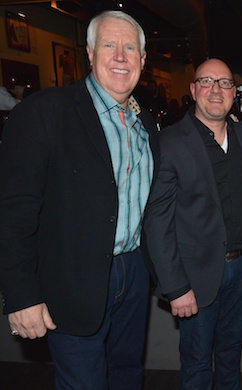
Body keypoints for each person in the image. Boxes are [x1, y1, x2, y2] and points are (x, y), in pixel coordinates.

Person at [0, 10, 158, 390]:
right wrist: (21, 294)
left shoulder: (145, 123)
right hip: (71, 280)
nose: (120, 56)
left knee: (127, 376)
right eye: (109, 45)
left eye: (130, 47)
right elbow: (12, 213)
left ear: (142, 59)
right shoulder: (44, 112)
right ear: (89, 53)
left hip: (133, 274)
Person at [142, 58, 242, 390]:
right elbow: (157, 222)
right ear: (193, 90)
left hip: (241, 268)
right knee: (196, 362)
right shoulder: (170, 142)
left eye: (224, 83)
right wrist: (175, 286)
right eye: (206, 82)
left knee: (229, 354)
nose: (215, 90)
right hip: (194, 277)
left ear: (234, 92)